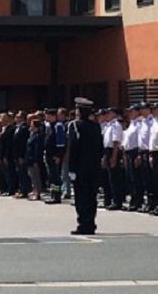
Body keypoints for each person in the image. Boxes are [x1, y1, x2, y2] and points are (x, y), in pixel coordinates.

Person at [68, 97, 103, 235]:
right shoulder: (96, 126)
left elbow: (73, 148)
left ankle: (83, 224)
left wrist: (71, 168)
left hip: (80, 168)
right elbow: (100, 147)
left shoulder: (75, 125)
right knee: (91, 196)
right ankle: (91, 223)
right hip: (93, 167)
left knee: (81, 197)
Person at [102, 107, 124, 210]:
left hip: (113, 151)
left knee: (115, 178)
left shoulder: (116, 125)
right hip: (107, 150)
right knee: (108, 177)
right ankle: (109, 199)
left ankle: (117, 201)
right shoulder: (108, 125)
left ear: (114, 114)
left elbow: (116, 142)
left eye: (109, 113)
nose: (107, 115)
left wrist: (114, 157)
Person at [123, 105, 142, 212]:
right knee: (130, 178)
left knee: (136, 178)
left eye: (131, 111)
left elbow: (140, 140)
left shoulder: (139, 124)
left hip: (135, 152)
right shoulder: (132, 123)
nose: (129, 113)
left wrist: (138, 155)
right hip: (129, 152)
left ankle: (137, 201)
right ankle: (133, 200)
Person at [136, 102, 153, 213]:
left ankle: (152, 203)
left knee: (150, 179)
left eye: (142, 109)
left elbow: (152, 138)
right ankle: (146, 202)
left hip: (149, 152)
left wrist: (150, 154)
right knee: (143, 178)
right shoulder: (141, 121)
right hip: (141, 151)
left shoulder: (152, 122)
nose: (141, 111)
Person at [44, 108, 62, 204]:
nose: (46, 117)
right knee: (51, 176)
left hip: (55, 156)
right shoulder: (50, 126)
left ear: (53, 116)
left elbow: (60, 143)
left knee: (55, 177)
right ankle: (53, 193)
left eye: (47, 115)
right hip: (49, 154)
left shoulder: (58, 126)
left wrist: (58, 155)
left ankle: (57, 195)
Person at [26, 119, 45, 201]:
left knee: (36, 176)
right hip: (29, 158)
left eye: (32, 125)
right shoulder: (32, 135)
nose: (30, 127)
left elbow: (37, 149)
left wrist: (36, 161)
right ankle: (34, 190)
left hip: (34, 159)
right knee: (32, 176)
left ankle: (37, 193)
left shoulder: (38, 136)